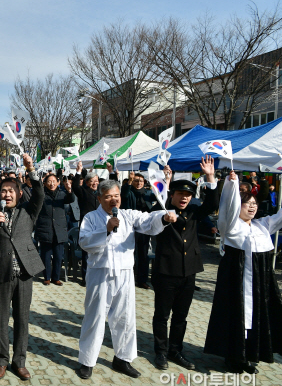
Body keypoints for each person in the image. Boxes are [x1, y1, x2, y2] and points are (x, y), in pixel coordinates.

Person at [76, 180, 176, 379]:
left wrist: (164, 218)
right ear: (99, 199)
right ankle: (87, 361)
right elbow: (84, 242)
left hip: (124, 273)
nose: (113, 200)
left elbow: (148, 221)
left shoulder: (128, 215)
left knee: (125, 317)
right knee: (95, 317)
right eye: (108, 197)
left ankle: (123, 358)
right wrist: (105, 229)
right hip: (100, 272)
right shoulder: (91, 217)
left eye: (116, 196)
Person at [204, 170, 282, 374]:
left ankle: (251, 355)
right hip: (236, 280)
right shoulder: (230, 227)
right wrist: (232, 183)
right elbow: (228, 207)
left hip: (260, 283)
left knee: (257, 317)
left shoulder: (262, 226)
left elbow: (280, 217)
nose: (252, 207)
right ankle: (234, 357)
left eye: (255, 204)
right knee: (236, 316)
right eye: (248, 204)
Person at [150, 157, 219, 371]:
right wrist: (166, 182)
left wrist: (210, 177)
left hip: (188, 272)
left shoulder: (193, 212)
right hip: (165, 272)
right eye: (180, 194)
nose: (184, 198)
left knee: (181, 316)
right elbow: (153, 214)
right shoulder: (159, 210)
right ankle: (160, 352)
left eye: (188, 195)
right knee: (162, 315)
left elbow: (213, 204)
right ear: (172, 195)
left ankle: (175, 350)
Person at [0, 154, 44, 380]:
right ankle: (0, 360)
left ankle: (20, 361)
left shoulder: (29, 211)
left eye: (11, 191)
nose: (7, 194)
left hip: (25, 273)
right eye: (3, 191)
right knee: (0, 318)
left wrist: (31, 170)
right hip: (1, 272)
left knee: (22, 318)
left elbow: (39, 194)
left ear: (18, 193)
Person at [34, 173, 75, 285]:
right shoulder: (42, 195)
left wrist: (69, 190)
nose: (51, 183)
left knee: (58, 255)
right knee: (46, 255)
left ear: (58, 182)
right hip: (45, 228)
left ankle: (56, 277)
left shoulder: (62, 194)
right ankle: (46, 277)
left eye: (54, 181)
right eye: (49, 181)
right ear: (45, 183)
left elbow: (71, 199)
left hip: (59, 229)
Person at [120, 171, 158, 289]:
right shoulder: (129, 191)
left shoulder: (147, 193)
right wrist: (130, 181)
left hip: (144, 227)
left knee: (143, 254)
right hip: (130, 227)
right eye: (136, 181)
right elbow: (124, 195)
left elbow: (158, 196)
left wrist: (163, 180)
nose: (139, 183)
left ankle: (142, 279)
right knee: (129, 253)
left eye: (141, 181)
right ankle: (127, 278)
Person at [72, 162, 100, 286]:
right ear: (87, 182)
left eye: (96, 181)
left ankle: (97, 275)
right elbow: (75, 187)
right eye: (92, 181)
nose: (95, 183)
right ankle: (85, 277)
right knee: (86, 252)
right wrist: (78, 172)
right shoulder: (83, 191)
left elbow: (112, 186)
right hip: (87, 225)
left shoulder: (100, 192)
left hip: (100, 224)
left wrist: (113, 174)